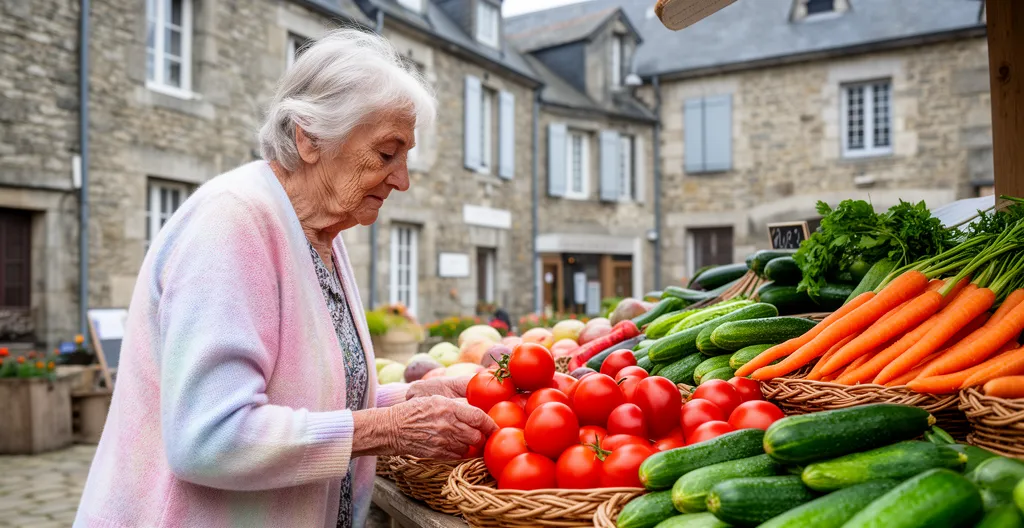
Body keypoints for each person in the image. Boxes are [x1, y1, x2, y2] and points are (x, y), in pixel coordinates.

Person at [73, 29, 498, 528]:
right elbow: (209, 438)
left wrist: (404, 399)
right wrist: (386, 428)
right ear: (309, 138)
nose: (402, 179)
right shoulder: (231, 223)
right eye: (387, 154)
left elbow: (299, 397)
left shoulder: (321, 235)